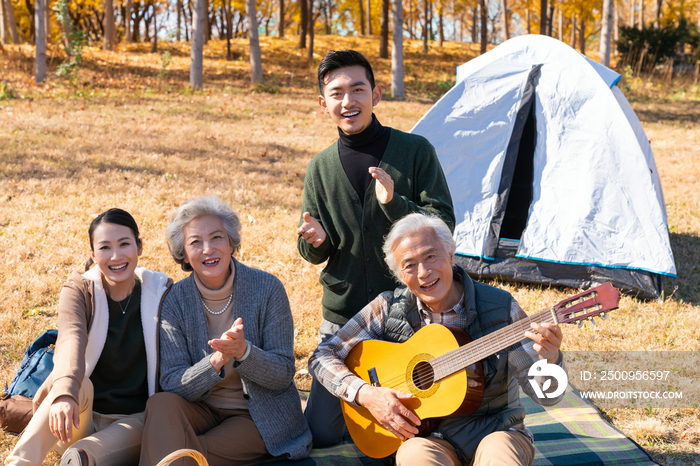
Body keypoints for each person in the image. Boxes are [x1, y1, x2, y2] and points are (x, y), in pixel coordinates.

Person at [308, 212, 567, 466]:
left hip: (495, 431)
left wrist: (551, 360)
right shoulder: (388, 307)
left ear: (451, 255)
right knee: (413, 457)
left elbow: (547, 396)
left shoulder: (501, 309)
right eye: (409, 265)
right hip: (427, 438)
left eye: (431, 256)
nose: (423, 272)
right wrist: (365, 394)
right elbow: (322, 356)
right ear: (399, 275)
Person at [297, 49, 455, 447]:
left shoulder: (415, 150)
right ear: (323, 102)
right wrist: (314, 242)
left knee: (419, 420)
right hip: (345, 314)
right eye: (336, 93)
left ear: (376, 94)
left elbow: (444, 223)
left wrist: (394, 203)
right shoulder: (319, 168)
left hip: (405, 312)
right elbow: (317, 249)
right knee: (322, 431)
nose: (348, 101)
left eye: (357, 89)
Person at [138, 196, 312, 466]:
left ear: (231, 242)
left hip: (257, 416)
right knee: (160, 405)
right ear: (182, 252)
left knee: (181, 454)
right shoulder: (174, 300)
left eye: (217, 237)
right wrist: (215, 362)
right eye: (195, 242)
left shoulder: (267, 289)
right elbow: (172, 382)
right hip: (200, 409)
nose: (208, 249)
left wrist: (244, 352)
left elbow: (282, 373)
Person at [5, 209, 173, 466]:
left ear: (139, 247)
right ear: (93, 255)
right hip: (77, 415)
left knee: (83, 455)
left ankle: (79, 457)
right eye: (105, 247)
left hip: (134, 421)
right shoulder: (81, 289)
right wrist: (64, 395)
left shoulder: (161, 293)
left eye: (124, 244)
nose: (116, 256)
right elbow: (70, 340)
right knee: (79, 383)